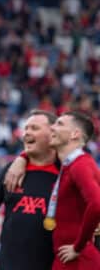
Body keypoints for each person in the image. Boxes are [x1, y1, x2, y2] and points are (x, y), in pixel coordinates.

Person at [0, 110, 59, 270]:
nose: (26, 133)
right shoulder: (11, 170)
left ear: (53, 134)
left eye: (35, 128)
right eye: (26, 128)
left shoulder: (66, 172)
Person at [47, 112, 100, 269]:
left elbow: (97, 203)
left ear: (75, 134)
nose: (52, 127)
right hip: (67, 259)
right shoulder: (71, 165)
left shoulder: (81, 164)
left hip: (79, 261)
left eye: (59, 124)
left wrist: (78, 246)